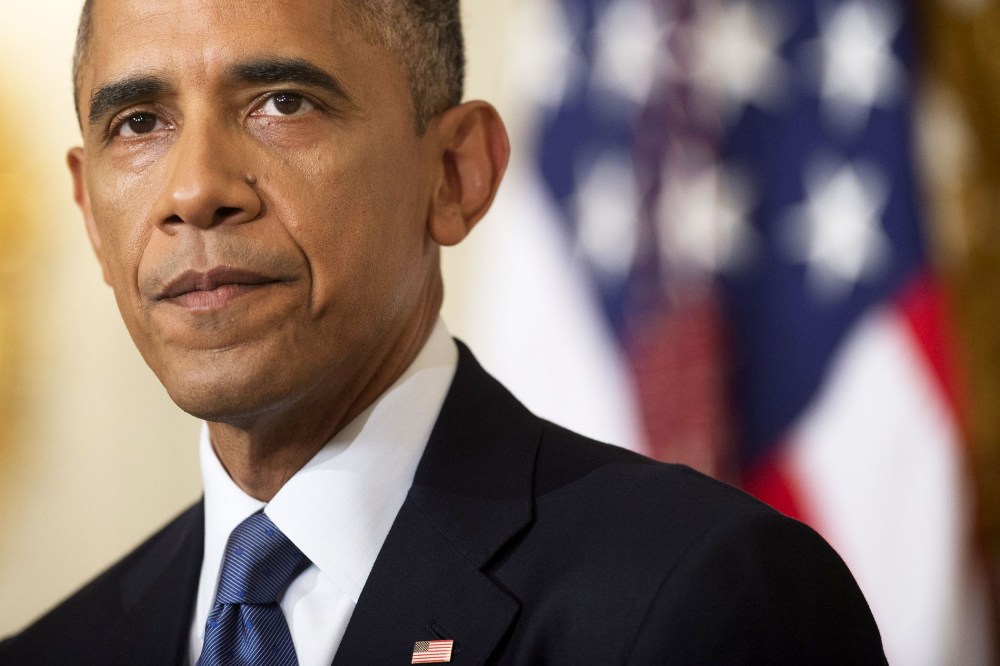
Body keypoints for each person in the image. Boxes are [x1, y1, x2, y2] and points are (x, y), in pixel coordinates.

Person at [0, 0, 886, 663]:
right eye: (139, 123)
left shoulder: (702, 601)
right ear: (88, 212)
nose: (196, 189)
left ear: (457, 173)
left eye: (282, 102)